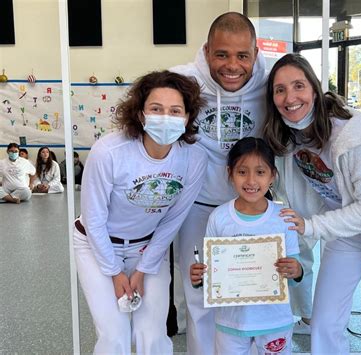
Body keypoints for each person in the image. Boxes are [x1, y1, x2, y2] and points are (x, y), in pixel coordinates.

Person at [263, 53, 361, 354]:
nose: (290, 97)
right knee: (324, 321)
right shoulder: (286, 139)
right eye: (280, 89)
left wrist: (312, 226)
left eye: (298, 86)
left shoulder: (349, 135)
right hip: (346, 229)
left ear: (314, 89)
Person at [73, 70, 207, 354]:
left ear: (187, 117)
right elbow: (94, 219)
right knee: (115, 335)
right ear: (141, 114)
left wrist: (145, 267)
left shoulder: (193, 158)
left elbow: (173, 219)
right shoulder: (109, 152)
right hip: (97, 245)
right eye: (156, 109)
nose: (166, 117)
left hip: (148, 248)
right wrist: (114, 272)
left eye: (175, 110)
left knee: (152, 334)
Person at [171, 11, 267, 354]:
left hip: (252, 207)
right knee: (199, 298)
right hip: (197, 209)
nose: (232, 65)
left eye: (242, 55)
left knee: (252, 297)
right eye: (222, 54)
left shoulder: (270, 81)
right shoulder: (182, 80)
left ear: (255, 54)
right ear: (207, 49)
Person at [190, 137, 302, 355]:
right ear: (230, 173)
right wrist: (199, 278)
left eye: (260, 172)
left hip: (275, 321)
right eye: (242, 172)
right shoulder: (219, 217)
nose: (251, 181)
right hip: (231, 323)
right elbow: (212, 272)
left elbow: (296, 272)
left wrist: (296, 271)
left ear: (272, 176)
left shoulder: (283, 218)